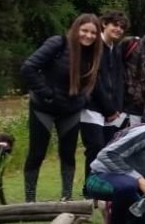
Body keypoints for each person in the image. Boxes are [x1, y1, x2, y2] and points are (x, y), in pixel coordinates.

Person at [21, 14, 103, 202]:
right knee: (37, 152)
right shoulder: (58, 43)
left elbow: (92, 83)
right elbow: (28, 68)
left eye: (93, 32)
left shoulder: (94, 55)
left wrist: (83, 99)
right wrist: (46, 93)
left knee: (68, 154)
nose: (88, 36)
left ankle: (66, 197)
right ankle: (30, 199)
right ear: (76, 29)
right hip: (43, 108)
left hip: (71, 110)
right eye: (84, 30)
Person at [80, 11, 130, 188]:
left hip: (112, 111)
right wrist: (108, 108)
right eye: (115, 25)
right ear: (104, 24)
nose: (118, 29)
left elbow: (117, 80)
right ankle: (89, 187)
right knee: (94, 147)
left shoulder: (115, 50)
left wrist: (116, 108)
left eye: (121, 27)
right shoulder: (94, 47)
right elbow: (94, 80)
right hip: (92, 107)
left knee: (106, 150)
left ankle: (100, 187)